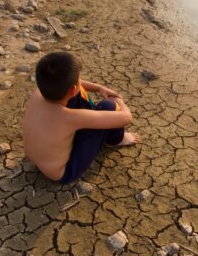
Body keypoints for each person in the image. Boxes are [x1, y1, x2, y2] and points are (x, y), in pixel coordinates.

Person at [22, 52, 139, 184]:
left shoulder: (39, 93)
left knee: (72, 93)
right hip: (64, 172)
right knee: (109, 106)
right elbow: (126, 118)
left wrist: (98, 88)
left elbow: (73, 85)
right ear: (72, 89)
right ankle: (115, 140)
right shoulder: (70, 118)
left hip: (36, 159)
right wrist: (119, 101)